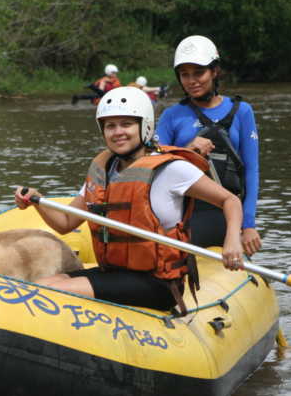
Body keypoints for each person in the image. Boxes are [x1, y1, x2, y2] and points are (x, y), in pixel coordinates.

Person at [16, 86, 245, 313]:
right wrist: (37, 200)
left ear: (144, 126)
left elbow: (229, 201)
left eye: (126, 124)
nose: (118, 132)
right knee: (40, 286)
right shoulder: (103, 170)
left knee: (48, 292)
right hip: (114, 274)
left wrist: (232, 240)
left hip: (157, 283)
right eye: (110, 126)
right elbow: (65, 223)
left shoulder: (171, 169)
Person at [155, 35, 262, 256]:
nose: (192, 80)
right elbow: (153, 164)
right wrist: (186, 150)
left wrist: (249, 225)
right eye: (185, 74)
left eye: (199, 72)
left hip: (230, 214)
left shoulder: (242, 111)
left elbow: (251, 171)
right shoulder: (171, 116)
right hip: (186, 212)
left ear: (214, 72)